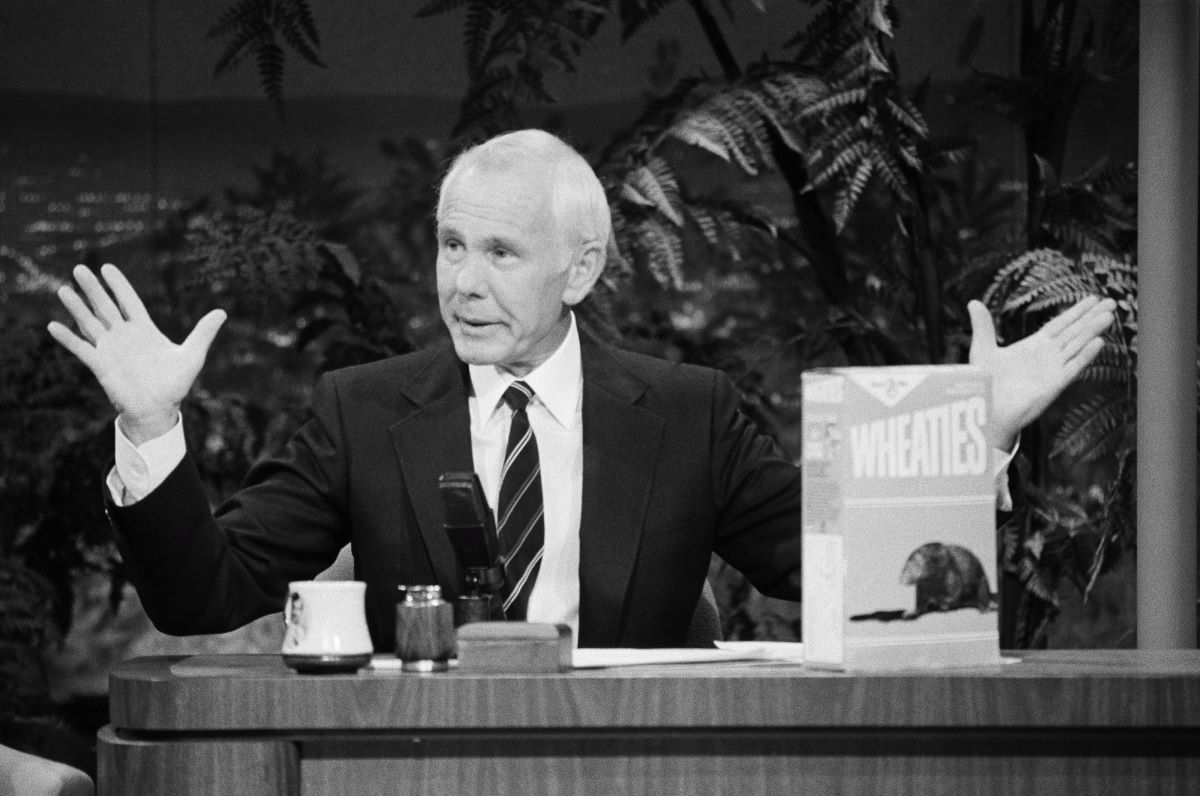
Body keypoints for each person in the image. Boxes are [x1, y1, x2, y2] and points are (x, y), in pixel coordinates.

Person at [47, 129, 1116, 650]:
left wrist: (972, 438)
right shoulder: (362, 409)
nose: (462, 282)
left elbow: (845, 581)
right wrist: (150, 425)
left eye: (501, 253)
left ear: (581, 269)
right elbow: (204, 595)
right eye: (451, 244)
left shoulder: (689, 413)